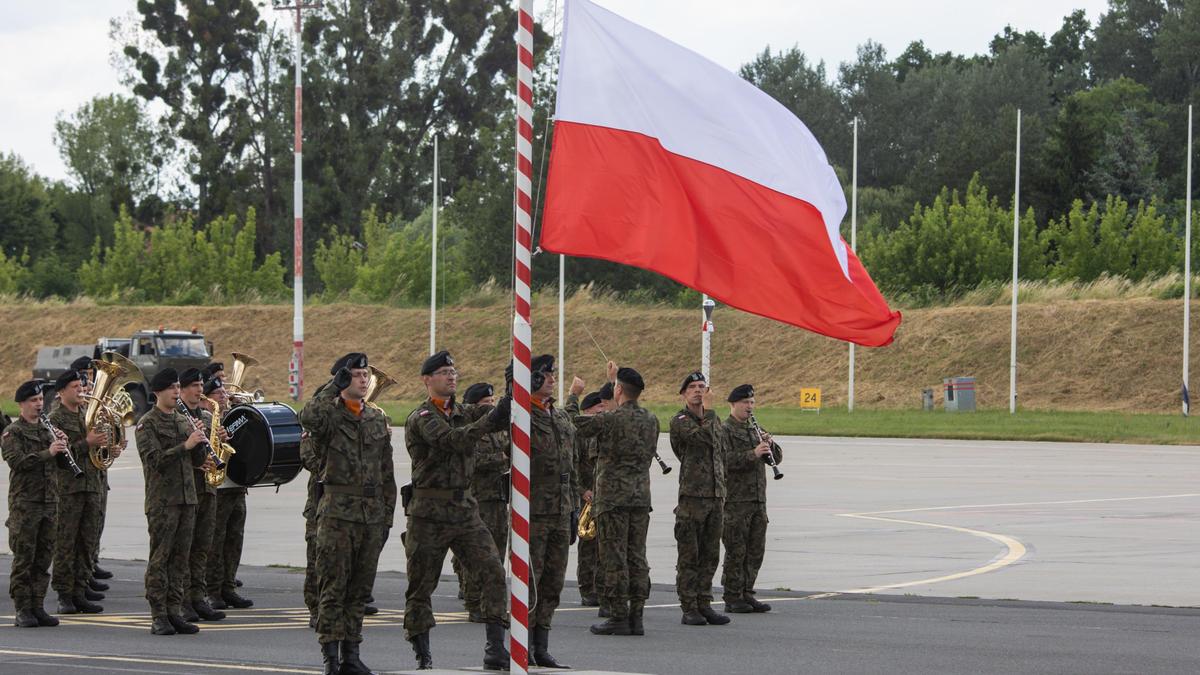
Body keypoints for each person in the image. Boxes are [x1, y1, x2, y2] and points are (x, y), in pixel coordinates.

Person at [403, 350, 510, 671]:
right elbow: (454, 440)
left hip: (464, 508)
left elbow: (501, 417)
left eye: (454, 371)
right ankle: (423, 653)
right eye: (444, 372)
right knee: (421, 584)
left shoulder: (465, 411)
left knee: (492, 571)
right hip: (428, 512)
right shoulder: (420, 418)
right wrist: (492, 418)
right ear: (427, 380)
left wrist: (513, 389)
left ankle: (495, 646)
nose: (452, 377)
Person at [303, 353, 396, 675]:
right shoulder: (329, 414)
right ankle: (330, 657)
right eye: (356, 374)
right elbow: (308, 417)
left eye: (365, 374)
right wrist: (332, 387)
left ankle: (351, 654)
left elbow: (387, 474)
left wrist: (387, 518)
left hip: (370, 516)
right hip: (337, 516)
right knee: (333, 588)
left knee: (359, 590)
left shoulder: (375, 418)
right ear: (344, 379)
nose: (363, 379)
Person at [573, 362, 659, 637]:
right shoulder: (651, 419)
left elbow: (572, 423)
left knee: (613, 558)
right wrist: (614, 381)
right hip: (640, 498)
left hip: (612, 499)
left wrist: (573, 396)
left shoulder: (610, 420)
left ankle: (618, 615)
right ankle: (637, 616)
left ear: (619, 390)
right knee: (637, 557)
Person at [135, 368, 209, 635]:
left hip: (187, 498)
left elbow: (197, 461)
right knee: (161, 558)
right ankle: (159, 615)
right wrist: (186, 445)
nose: (177, 392)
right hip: (163, 501)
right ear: (158, 392)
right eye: (171, 388)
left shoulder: (182, 420)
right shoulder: (148, 423)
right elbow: (154, 460)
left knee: (181, 559)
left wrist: (200, 442)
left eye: (178, 387)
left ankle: (175, 610)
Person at [524, 355, 577, 667]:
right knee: (531, 579)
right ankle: (525, 642)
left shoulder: (557, 415)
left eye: (552, 373)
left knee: (553, 582)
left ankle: (542, 644)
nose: (552, 378)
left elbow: (571, 462)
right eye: (545, 374)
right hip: (535, 509)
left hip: (560, 506)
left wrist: (572, 506)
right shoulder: (524, 414)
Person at [2, 380, 68, 627]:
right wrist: (48, 452)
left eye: (40, 400)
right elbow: (18, 462)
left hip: (50, 502)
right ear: (21, 404)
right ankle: (22, 609)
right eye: (33, 401)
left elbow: (59, 466)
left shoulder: (46, 429)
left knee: (43, 558)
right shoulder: (13, 432)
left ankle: (38, 605)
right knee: (24, 559)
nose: (39, 405)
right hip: (25, 505)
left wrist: (63, 448)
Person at [48, 368, 112, 615]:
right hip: (69, 490)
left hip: (92, 486)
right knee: (66, 543)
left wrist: (109, 449)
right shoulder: (55, 419)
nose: (81, 390)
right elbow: (59, 457)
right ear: (62, 391)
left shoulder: (88, 414)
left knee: (87, 542)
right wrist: (88, 443)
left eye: (81, 386)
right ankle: (65, 594)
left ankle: (80, 590)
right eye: (75, 387)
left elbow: (98, 452)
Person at [669, 372, 730, 626]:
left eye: (702, 387)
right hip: (693, 498)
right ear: (684, 393)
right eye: (692, 387)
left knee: (710, 554)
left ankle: (704, 602)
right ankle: (689, 606)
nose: (698, 391)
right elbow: (702, 439)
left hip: (715, 496)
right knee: (689, 555)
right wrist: (711, 411)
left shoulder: (713, 421)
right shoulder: (681, 420)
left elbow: (721, 447)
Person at [720, 384, 781, 614]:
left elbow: (777, 458)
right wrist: (752, 454)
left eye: (752, 402)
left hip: (757, 500)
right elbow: (724, 461)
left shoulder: (754, 429)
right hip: (736, 502)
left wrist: (770, 445)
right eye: (745, 402)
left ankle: (747, 591)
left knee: (755, 550)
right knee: (736, 550)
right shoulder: (724, 430)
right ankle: (732, 595)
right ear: (733, 404)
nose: (749, 407)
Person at [457, 381, 509, 624]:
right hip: (478, 499)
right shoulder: (469, 429)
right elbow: (473, 460)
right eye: (485, 404)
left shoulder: (498, 430)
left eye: (492, 402)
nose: (490, 407)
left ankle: (492, 603)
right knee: (477, 554)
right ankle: (474, 601)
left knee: (497, 553)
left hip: (498, 498)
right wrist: (502, 458)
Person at [178, 368, 226, 623]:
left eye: (200, 385)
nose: (199, 390)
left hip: (208, 489)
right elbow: (174, 453)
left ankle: (199, 597)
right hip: (188, 489)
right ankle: (183, 600)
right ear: (182, 389)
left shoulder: (207, 415)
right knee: (186, 548)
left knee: (202, 547)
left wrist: (220, 438)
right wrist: (196, 463)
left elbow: (213, 446)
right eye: (194, 385)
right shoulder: (176, 416)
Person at [202, 377, 253, 611]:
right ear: (207, 398)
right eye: (218, 393)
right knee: (216, 540)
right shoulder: (202, 420)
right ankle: (212, 590)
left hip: (236, 486)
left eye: (224, 393)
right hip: (217, 489)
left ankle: (228, 586)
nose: (224, 396)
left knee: (235, 539)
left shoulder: (234, 416)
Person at [565, 383, 604, 609]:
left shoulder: (603, 429)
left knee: (604, 543)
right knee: (588, 543)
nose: (602, 411)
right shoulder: (580, 432)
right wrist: (582, 490)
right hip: (586, 494)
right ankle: (587, 588)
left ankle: (601, 585)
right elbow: (572, 465)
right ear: (588, 411)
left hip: (604, 492)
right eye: (598, 408)